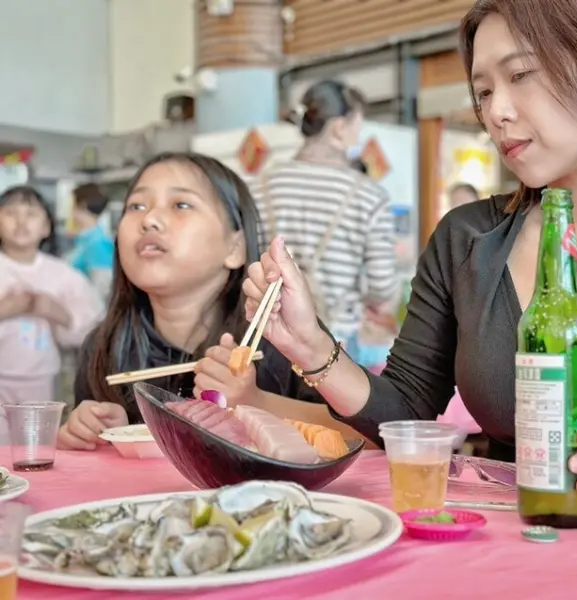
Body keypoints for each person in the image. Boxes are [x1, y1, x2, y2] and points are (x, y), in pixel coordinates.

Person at [242, 0, 577, 558]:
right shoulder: (467, 240)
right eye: (483, 91)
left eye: (520, 75)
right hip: (510, 555)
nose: (496, 113)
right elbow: (407, 408)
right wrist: (313, 347)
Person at [59, 152, 364, 451]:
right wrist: (92, 433)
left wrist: (256, 402)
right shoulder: (104, 347)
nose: (149, 219)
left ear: (235, 247)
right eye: (136, 206)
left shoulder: (281, 336)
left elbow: (364, 436)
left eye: (181, 204)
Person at [253, 80, 398, 357]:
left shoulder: (260, 185)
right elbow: (382, 286)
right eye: (357, 127)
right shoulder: (368, 195)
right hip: (334, 342)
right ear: (338, 128)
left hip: (266, 337)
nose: (358, 137)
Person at [0, 186, 104, 442]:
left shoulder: (63, 275)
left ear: (46, 227)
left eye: (31, 214)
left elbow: (92, 325)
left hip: (44, 381)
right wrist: (6, 309)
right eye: (11, 213)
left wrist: (56, 311)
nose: (21, 221)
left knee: (37, 450)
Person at [69, 183, 115, 301]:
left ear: (81, 205)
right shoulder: (84, 240)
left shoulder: (98, 243)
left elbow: (101, 290)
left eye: (72, 205)